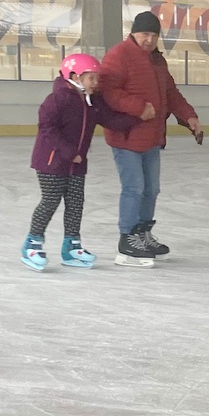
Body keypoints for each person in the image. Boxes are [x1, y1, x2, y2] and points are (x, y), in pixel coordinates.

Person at [99, 11, 204, 268]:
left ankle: (143, 233)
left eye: (154, 35)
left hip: (152, 136)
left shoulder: (158, 61)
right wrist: (138, 107)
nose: (149, 39)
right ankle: (127, 238)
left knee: (151, 189)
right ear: (134, 33)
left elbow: (171, 92)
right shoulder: (118, 56)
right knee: (134, 188)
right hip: (127, 135)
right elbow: (108, 91)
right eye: (144, 34)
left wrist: (189, 116)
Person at [21, 54, 139, 271]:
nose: (96, 83)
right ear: (75, 76)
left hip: (76, 163)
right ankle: (32, 243)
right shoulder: (58, 98)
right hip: (51, 162)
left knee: (75, 204)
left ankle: (72, 246)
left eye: (97, 78)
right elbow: (46, 126)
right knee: (50, 201)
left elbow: (110, 120)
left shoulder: (91, 101)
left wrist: (138, 117)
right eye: (91, 78)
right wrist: (68, 152)